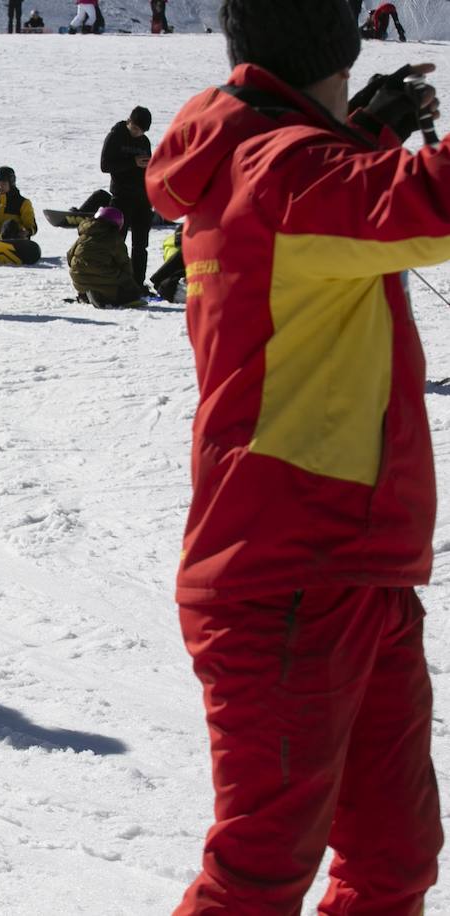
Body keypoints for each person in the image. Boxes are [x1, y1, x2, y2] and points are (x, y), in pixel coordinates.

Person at [145, 0, 446, 911]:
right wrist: (363, 139)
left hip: (351, 566)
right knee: (259, 876)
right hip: (287, 575)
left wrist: (362, 130)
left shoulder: (273, 156)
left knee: (393, 856)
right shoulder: (285, 168)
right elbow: (424, 204)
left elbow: (329, 189)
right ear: (340, 41)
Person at [100, 105, 152, 285]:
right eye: (136, 129)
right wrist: (133, 162)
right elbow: (105, 165)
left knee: (140, 245)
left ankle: (138, 283)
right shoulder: (115, 137)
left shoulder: (144, 141)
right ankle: (113, 281)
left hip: (143, 198)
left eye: (142, 131)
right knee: (116, 242)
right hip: (121, 197)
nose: (138, 134)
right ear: (129, 122)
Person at [65, 206, 147, 308]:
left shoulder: (84, 236)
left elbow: (69, 256)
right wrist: (129, 283)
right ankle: (102, 297)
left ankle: (85, 294)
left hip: (80, 282)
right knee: (132, 292)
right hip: (104, 281)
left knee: (96, 279)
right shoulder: (114, 239)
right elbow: (124, 264)